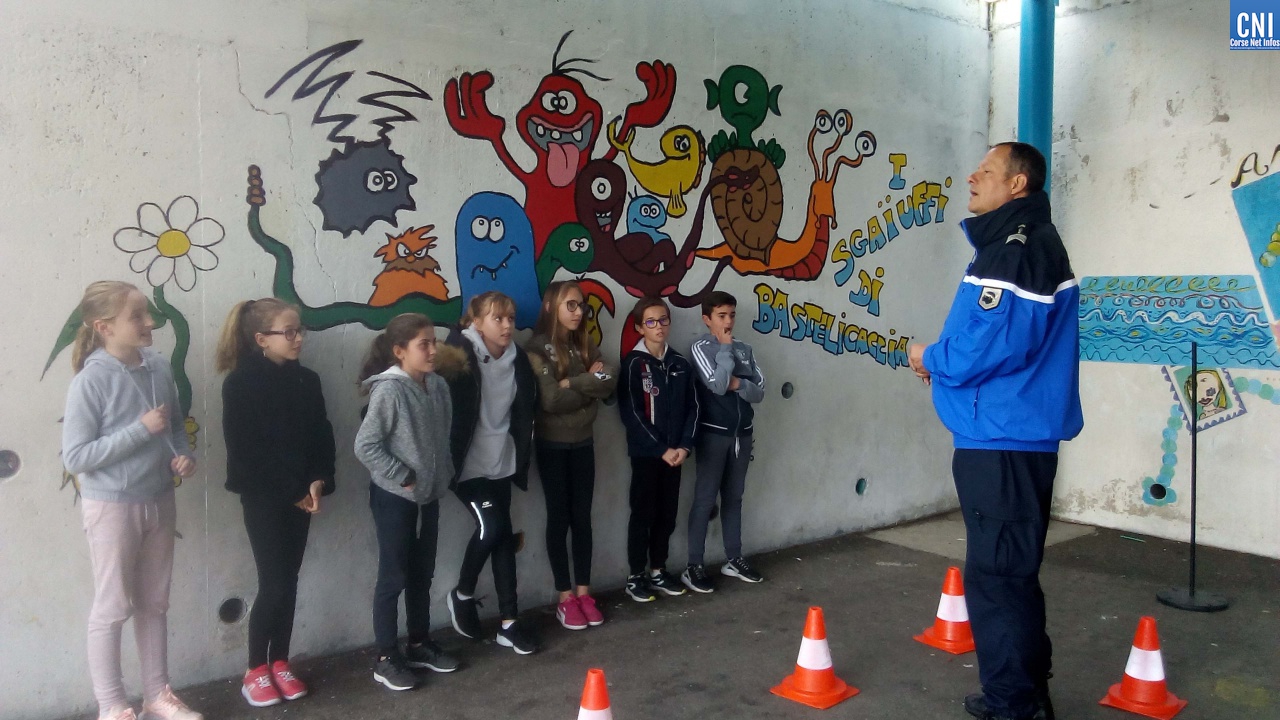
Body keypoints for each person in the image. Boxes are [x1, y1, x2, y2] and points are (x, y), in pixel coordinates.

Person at [908, 142, 1082, 720]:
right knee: (1010, 576)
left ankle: (1014, 706)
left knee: (999, 579)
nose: (972, 177)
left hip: (1003, 443)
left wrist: (930, 357)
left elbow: (994, 342)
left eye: (987, 170)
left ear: (1017, 184)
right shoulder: (1016, 243)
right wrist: (947, 369)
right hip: (1007, 438)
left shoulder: (1017, 246)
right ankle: (1025, 694)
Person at [62, 281, 201, 720]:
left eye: (147, 313)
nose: (150, 322)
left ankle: (157, 695)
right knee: (112, 608)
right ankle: (112, 706)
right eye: (137, 316)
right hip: (112, 507)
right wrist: (140, 430)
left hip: (159, 498)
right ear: (103, 327)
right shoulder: (90, 380)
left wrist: (183, 456)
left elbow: (175, 425)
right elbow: (76, 457)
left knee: (154, 602)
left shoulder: (158, 367)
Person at [218, 298, 336, 707]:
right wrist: (293, 491)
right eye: (289, 332)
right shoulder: (240, 384)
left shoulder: (308, 381)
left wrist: (319, 481)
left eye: (300, 330)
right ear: (261, 339)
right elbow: (246, 452)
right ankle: (255, 669)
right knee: (274, 581)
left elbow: (322, 434)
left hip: (304, 496)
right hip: (264, 498)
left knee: (291, 579)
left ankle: (280, 661)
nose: (298, 338)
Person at [354, 313, 459, 691]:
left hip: (428, 496)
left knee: (422, 573)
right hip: (395, 499)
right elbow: (365, 446)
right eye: (423, 344)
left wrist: (441, 475)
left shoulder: (438, 386)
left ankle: (419, 643)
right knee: (393, 576)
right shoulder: (390, 391)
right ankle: (386, 657)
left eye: (434, 342)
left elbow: (442, 437)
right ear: (400, 351)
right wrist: (403, 475)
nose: (432, 350)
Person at [436, 292, 540, 654]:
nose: (507, 325)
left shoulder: (518, 359)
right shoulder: (457, 356)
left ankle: (509, 623)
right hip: (467, 464)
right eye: (497, 318)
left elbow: (524, 410)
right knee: (492, 528)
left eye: (510, 318)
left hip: (501, 461)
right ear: (476, 322)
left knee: (503, 538)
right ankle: (463, 594)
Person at [526, 281, 618, 630]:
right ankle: (565, 597)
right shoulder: (536, 348)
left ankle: (583, 594)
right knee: (559, 518)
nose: (579, 312)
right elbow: (550, 400)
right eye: (571, 305)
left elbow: (609, 378)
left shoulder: (584, 343)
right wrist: (587, 384)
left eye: (581, 306)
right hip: (552, 445)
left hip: (583, 443)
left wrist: (572, 382)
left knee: (582, 518)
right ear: (552, 307)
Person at [683, 291, 766, 594]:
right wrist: (726, 350)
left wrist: (738, 383)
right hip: (713, 434)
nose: (728, 321)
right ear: (707, 319)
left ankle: (734, 558)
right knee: (705, 500)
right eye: (721, 316)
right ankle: (694, 565)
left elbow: (759, 391)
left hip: (742, 434)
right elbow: (718, 385)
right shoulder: (701, 348)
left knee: (734, 497)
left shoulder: (746, 349)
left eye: (731, 315)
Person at [617, 297, 699, 603]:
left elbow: (693, 408)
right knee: (643, 513)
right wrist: (660, 448)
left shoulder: (680, 363)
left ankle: (658, 570)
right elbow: (631, 413)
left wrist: (684, 447)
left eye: (663, 320)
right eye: (650, 322)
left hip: (676, 456)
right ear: (640, 327)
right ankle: (635, 575)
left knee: (667, 514)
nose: (658, 326)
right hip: (647, 455)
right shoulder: (633, 364)